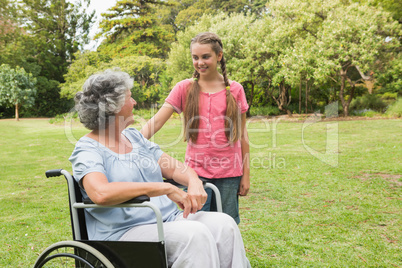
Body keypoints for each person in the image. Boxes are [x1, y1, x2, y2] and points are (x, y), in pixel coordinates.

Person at [69, 69, 251, 268]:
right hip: (123, 231)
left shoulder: (134, 138)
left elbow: (173, 169)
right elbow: (100, 193)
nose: (135, 102)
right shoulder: (88, 148)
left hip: (166, 219)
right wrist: (165, 188)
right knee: (194, 235)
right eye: (130, 97)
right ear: (114, 106)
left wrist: (193, 181)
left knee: (224, 225)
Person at [141, 32, 250, 224]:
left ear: (219, 56)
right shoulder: (184, 88)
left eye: (205, 56)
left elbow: (242, 136)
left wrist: (246, 175)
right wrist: (132, 141)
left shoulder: (235, 90)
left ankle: (223, 256)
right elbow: (157, 121)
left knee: (227, 225)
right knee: (196, 224)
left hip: (230, 174)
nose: (200, 62)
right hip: (195, 173)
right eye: (195, 57)